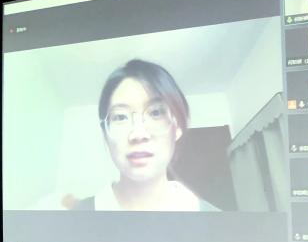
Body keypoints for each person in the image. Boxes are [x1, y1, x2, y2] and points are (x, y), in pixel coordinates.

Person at [78, 59, 218, 212]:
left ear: (177, 127)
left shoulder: (213, 218)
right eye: (121, 117)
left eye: (156, 112)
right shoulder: (76, 215)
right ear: (105, 134)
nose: (138, 134)